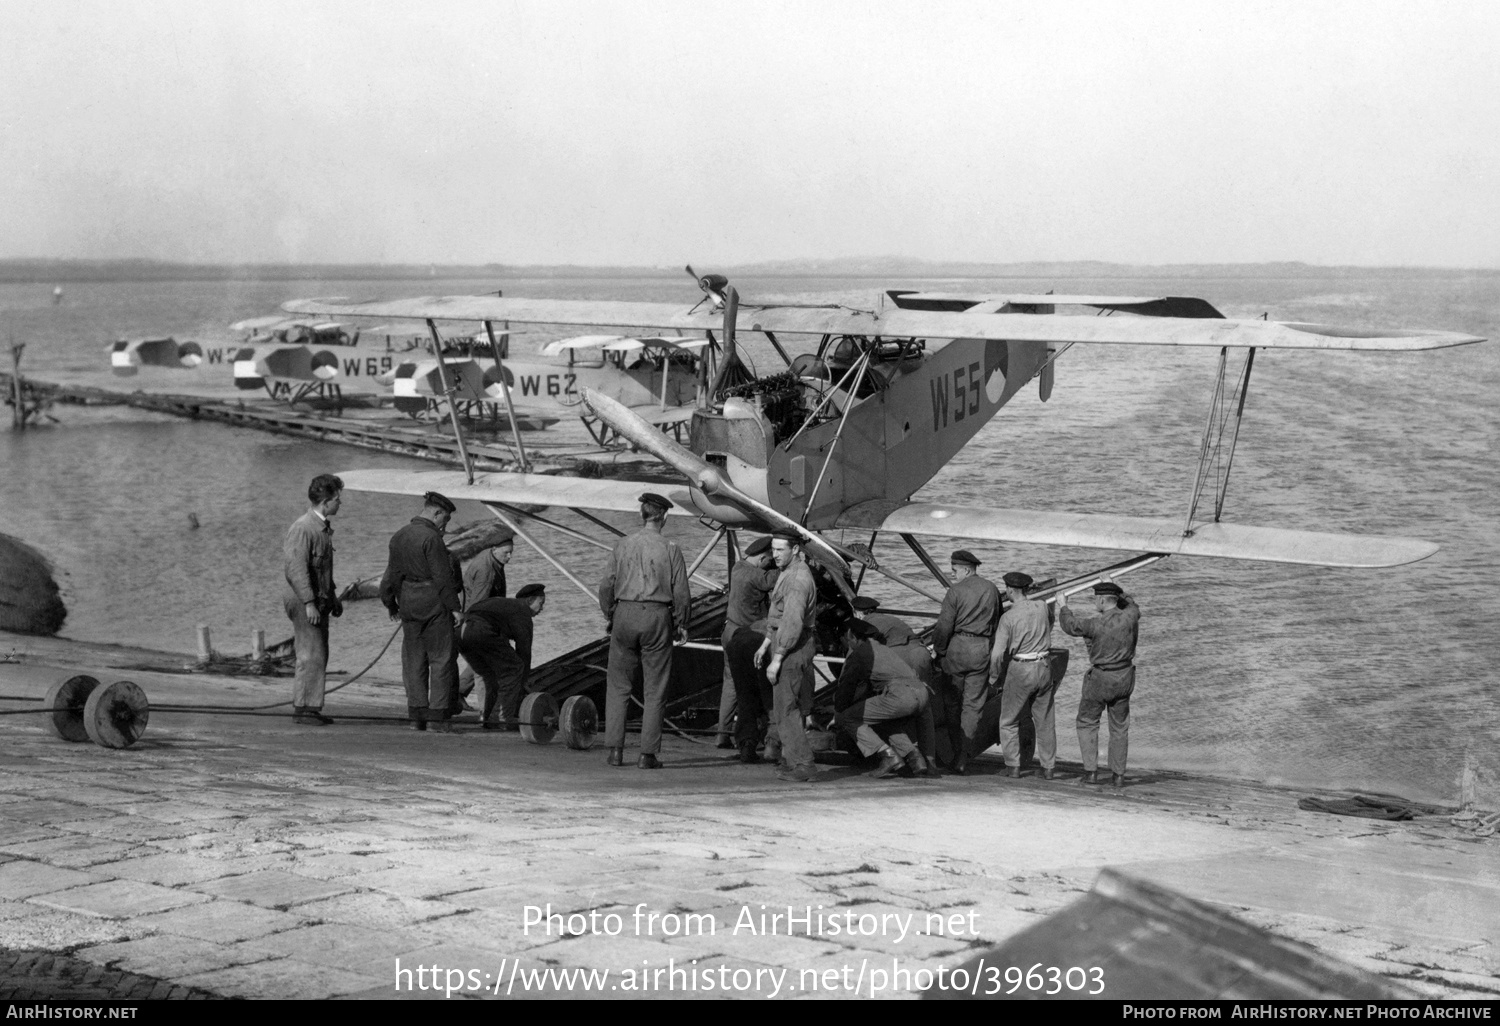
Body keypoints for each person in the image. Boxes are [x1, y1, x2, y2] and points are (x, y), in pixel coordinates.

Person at [598, 493, 691, 769]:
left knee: (617, 686)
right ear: (665, 516)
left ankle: (615, 751)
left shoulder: (622, 544)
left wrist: (610, 614)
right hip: (656, 616)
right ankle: (647, 755)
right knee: (655, 688)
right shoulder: (671, 548)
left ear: (642, 514)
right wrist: (682, 622)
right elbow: (682, 593)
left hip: (624, 614)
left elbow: (606, 586)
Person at [379, 491, 463, 732]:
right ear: (436, 513)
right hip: (434, 603)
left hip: (407, 601)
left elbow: (391, 577)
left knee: (413, 659)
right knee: (441, 658)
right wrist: (455, 609)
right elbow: (442, 578)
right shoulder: (431, 538)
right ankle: (437, 717)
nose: (444, 525)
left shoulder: (398, 536)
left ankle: (416, 716)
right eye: (444, 520)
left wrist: (391, 604)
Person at [752, 532, 820, 783]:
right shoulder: (787, 572)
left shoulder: (797, 580)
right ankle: (793, 761)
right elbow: (778, 617)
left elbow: (792, 624)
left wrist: (778, 657)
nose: (775, 554)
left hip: (793, 648)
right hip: (784, 643)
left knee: (786, 708)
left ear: (795, 550)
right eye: (773, 549)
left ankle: (804, 764)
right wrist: (765, 644)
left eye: (781, 550)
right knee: (783, 708)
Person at [1059, 581, 1141, 787]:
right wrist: (1117, 589)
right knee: (1120, 727)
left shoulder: (1095, 624)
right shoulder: (1131, 616)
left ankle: (1091, 772)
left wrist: (1063, 606)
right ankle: (1119, 775)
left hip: (1100, 679)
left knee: (1087, 722)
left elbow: (1070, 626)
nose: (1094, 601)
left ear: (1103, 600)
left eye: (1096, 598)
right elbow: (1133, 605)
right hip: (1124, 677)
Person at [833, 619, 937, 779]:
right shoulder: (884, 649)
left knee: (848, 718)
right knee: (882, 720)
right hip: (922, 692)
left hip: (902, 696)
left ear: (850, 636)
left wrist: (836, 712)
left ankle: (887, 756)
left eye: (845, 641)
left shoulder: (860, 654)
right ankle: (916, 759)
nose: (846, 645)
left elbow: (846, 691)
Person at [282, 474, 343, 726]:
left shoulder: (321, 527)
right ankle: (304, 709)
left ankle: (310, 706)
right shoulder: (303, 528)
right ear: (326, 502)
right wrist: (308, 603)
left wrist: (333, 597)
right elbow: (296, 569)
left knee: (318, 651)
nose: (340, 504)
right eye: (338, 499)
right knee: (310, 652)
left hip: (316, 598)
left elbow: (322, 570)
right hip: (302, 598)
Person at [931, 550, 1000, 774]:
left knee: (952, 703)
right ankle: (963, 755)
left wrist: (939, 651)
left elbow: (943, 627)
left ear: (967, 570)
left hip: (957, 650)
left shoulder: (955, 591)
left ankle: (954, 750)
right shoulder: (991, 588)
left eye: (955, 571)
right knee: (973, 706)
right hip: (981, 650)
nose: (953, 575)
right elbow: (997, 621)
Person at [850, 595, 939, 762]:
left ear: (858, 613)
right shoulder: (890, 619)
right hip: (921, 654)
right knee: (924, 710)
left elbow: (857, 655)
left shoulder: (864, 623)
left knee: (891, 708)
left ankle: (906, 754)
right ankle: (930, 760)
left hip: (901, 658)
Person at [991, 571, 1057, 779]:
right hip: (1044, 666)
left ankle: (1013, 766)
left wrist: (993, 678)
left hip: (1021, 668)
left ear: (1010, 590)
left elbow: (997, 654)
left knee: (1009, 720)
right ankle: (1048, 768)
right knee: (1045, 720)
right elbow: (1051, 622)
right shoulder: (1042, 606)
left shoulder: (1008, 617)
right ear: (1027, 589)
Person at [716, 535, 779, 749]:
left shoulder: (737, 568)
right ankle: (762, 735)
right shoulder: (756, 576)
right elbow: (774, 579)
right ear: (762, 559)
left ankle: (722, 734)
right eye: (770, 560)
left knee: (731, 684)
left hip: (729, 630)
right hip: (746, 636)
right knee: (756, 686)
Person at [459, 583, 545, 730]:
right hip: (480, 630)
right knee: (515, 668)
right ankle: (503, 718)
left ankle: (489, 718)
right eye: (541, 603)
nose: (541, 609)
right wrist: (522, 683)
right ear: (529, 600)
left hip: (461, 633)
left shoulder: (506, 605)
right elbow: (524, 653)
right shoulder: (522, 613)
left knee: (491, 674)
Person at [457, 538, 515, 703]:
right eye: (506, 553)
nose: (509, 557)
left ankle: (459, 693)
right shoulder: (486, 571)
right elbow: (478, 605)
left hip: (482, 617)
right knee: (486, 661)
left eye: (511, 552)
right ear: (495, 548)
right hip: (477, 619)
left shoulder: (490, 557)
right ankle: (485, 711)